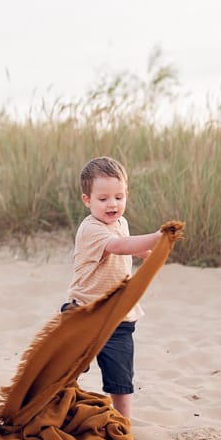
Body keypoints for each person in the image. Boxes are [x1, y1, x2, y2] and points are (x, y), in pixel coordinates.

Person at [64, 156, 163, 420]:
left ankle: (123, 422)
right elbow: (117, 246)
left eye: (119, 197)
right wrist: (155, 236)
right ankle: (52, 406)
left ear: (126, 195)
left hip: (119, 317)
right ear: (87, 200)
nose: (113, 204)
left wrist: (148, 251)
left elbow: (127, 242)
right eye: (104, 198)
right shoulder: (91, 229)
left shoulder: (121, 223)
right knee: (64, 369)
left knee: (121, 378)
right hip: (86, 313)